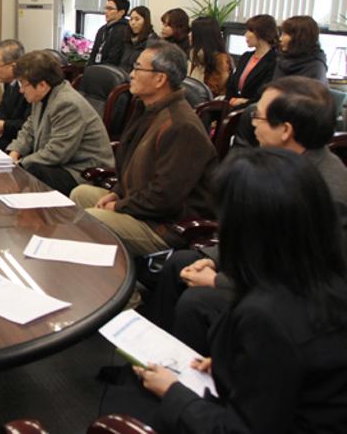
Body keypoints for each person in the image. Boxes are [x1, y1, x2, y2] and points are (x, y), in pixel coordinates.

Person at [112, 148, 347, 433]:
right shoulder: (321, 274)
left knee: (129, 409)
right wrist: (235, 365)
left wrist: (173, 391)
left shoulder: (267, 315)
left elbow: (240, 430)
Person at [144, 76, 347, 352]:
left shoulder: (325, 192)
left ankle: (194, 380)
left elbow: (292, 272)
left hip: (298, 298)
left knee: (197, 301)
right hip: (261, 269)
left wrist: (219, 280)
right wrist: (214, 261)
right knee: (181, 262)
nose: (252, 123)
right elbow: (253, 236)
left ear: (285, 130)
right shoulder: (282, 165)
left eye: (258, 117)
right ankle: (154, 354)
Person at [70, 41, 216, 256]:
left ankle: (121, 286)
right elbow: (131, 167)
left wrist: (120, 206)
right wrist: (118, 193)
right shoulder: (148, 109)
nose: (131, 74)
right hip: (142, 207)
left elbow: (164, 198)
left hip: (164, 225)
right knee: (81, 194)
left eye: (138, 68)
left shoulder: (180, 125)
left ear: (160, 79)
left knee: (93, 218)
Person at [7, 51, 114, 195]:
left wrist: (21, 163)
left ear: (42, 85)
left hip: (82, 170)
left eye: (23, 84)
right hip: (62, 164)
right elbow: (29, 129)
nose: (20, 90)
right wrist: (15, 152)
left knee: (32, 172)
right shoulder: (41, 97)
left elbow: (57, 152)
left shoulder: (67, 103)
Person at [226, 14, 278, 108]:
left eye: (250, 31)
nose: (245, 35)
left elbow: (264, 92)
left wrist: (246, 102)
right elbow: (232, 83)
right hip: (233, 106)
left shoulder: (274, 61)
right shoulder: (246, 56)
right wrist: (231, 100)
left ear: (262, 33)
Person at [274, 15, 328, 83]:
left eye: (285, 34)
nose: (280, 39)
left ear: (300, 38)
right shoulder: (283, 60)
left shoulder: (316, 67)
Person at [187, 16, 232, 97]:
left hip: (209, 104)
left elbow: (212, 90)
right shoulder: (195, 55)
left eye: (193, 32)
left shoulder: (220, 59)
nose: (189, 35)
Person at [88, 0, 130, 67]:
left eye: (110, 9)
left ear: (121, 12)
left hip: (110, 72)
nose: (106, 12)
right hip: (95, 70)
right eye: (106, 8)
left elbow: (114, 59)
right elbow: (93, 54)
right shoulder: (102, 30)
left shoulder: (124, 30)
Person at [119, 6, 159, 73]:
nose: (133, 23)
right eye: (131, 19)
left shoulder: (152, 41)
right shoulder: (128, 40)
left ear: (146, 21)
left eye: (137, 19)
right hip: (123, 77)